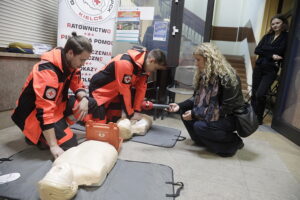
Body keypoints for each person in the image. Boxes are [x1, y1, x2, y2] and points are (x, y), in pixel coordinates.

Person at [11, 32, 96, 159]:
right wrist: (53, 145)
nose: (83, 63)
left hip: (56, 107)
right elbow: (44, 111)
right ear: (71, 53)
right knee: (69, 145)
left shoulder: (71, 64)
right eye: (82, 59)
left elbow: (78, 85)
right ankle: (38, 137)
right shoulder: (47, 71)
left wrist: (84, 98)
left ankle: (59, 127)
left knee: (90, 102)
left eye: (85, 60)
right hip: (33, 115)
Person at [167, 43, 245, 157]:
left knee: (200, 126)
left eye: (198, 60)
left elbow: (227, 108)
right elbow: (196, 98)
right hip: (213, 113)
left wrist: (196, 114)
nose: (196, 64)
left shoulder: (228, 77)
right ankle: (205, 139)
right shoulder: (204, 75)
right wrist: (179, 106)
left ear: (209, 60)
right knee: (186, 113)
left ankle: (233, 142)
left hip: (230, 117)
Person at [89, 48, 167, 123]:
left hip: (115, 93)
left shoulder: (144, 69)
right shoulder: (125, 63)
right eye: (156, 68)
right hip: (100, 91)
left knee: (114, 121)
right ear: (152, 61)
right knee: (99, 124)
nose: (154, 71)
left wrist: (137, 111)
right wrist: (130, 114)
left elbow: (141, 90)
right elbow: (124, 91)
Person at [251, 14, 289, 124]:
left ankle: (258, 117)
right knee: (254, 93)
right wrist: (272, 55)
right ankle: (254, 118)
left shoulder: (287, 37)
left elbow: (281, 50)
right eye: (273, 24)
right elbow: (257, 50)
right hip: (259, 67)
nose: (275, 25)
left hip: (271, 70)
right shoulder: (267, 36)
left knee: (260, 93)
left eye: (277, 23)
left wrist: (266, 51)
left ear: (283, 23)